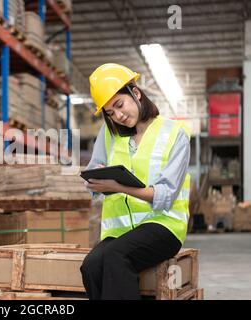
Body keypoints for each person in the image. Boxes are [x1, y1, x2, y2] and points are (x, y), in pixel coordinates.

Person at [80, 63, 191, 300]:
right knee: (90, 266)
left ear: (136, 93)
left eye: (119, 105)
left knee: (116, 256)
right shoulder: (109, 134)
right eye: (110, 112)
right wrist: (94, 179)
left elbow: (165, 195)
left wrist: (118, 187)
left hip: (164, 226)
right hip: (120, 232)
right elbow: (92, 173)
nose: (118, 115)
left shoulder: (175, 133)